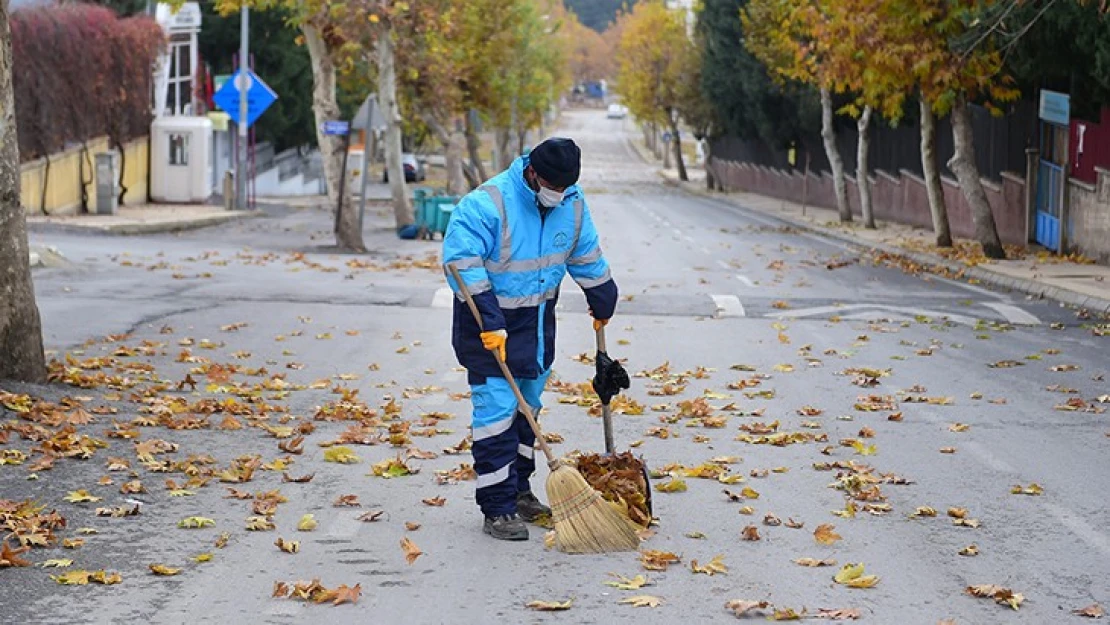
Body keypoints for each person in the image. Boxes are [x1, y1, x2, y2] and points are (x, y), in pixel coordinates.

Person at [441, 137, 618, 541]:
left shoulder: (571, 202)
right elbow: (460, 262)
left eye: (565, 187)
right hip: (487, 326)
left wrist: (603, 295)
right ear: (533, 173)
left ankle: (520, 491)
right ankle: (498, 508)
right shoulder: (488, 203)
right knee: (496, 418)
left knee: (527, 412)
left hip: (537, 326)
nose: (558, 194)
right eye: (552, 186)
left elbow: (585, 253)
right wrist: (489, 319)